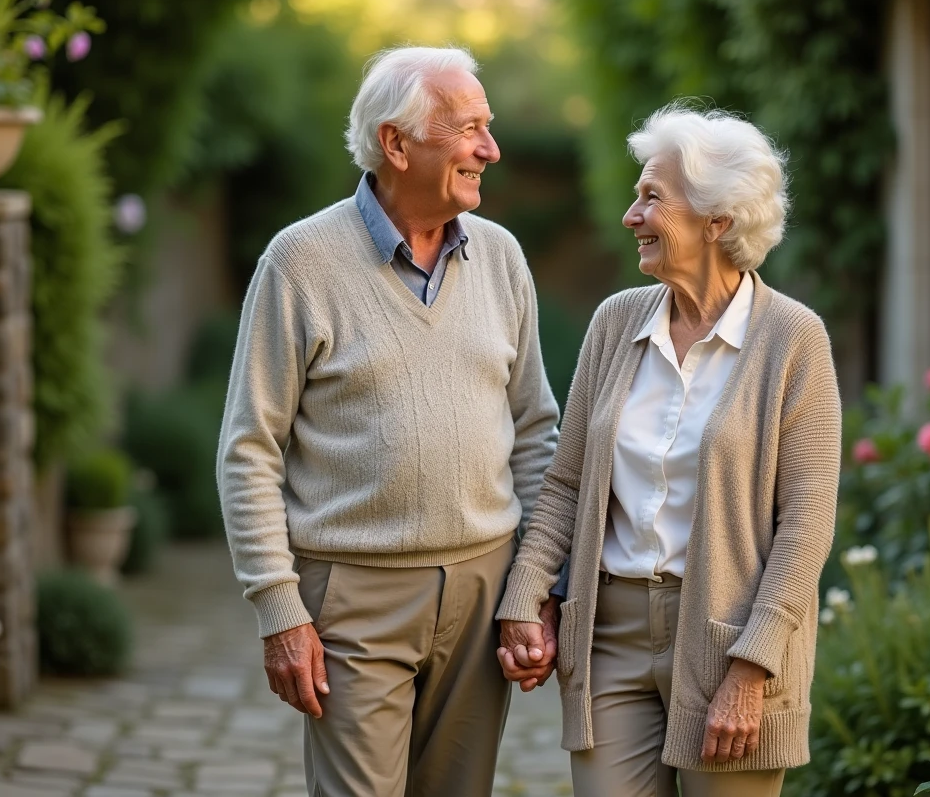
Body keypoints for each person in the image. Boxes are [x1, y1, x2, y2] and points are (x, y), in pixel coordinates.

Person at [216, 46, 560, 797]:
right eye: (469, 129)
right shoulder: (300, 262)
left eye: (489, 128)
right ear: (396, 144)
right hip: (354, 595)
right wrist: (280, 610)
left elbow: (536, 430)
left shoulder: (502, 258)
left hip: (482, 589)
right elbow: (248, 448)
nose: (490, 150)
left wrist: (534, 589)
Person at [496, 103, 842, 797]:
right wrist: (525, 594)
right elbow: (568, 484)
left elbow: (805, 525)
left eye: (651, 197)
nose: (631, 216)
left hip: (730, 640)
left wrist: (752, 669)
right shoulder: (615, 322)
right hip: (611, 637)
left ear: (718, 222)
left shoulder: (793, 340)